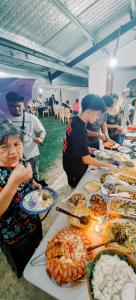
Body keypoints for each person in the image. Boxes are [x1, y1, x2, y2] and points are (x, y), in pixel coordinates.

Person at [0, 123, 42, 278]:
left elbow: (27, 182)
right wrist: (13, 182)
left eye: (17, 144)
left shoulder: (22, 161)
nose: (13, 151)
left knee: (37, 251)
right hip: (13, 238)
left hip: (33, 223)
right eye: (4, 147)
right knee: (23, 265)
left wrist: (34, 184)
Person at [63, 94, 117, 188]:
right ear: (88, 111)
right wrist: (108, 165)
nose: (98, 117)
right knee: (79, 188)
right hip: (74, 166)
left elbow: (73, 141)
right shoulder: (78, 129)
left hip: (69, 160)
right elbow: (87, 159)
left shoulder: (75, 119)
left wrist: (87, 148)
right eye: (97, 114)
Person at [6, 91, 46, 181]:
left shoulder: (31, 117)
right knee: (22, 178)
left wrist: (41, 138)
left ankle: (36, 192)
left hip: (32, 153)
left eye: (19, 106)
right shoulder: (5, 120)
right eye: (12, 106)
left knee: (35, 174)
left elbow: (42, 131)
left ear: (23, 105)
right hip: (16, 156)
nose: (16, 109)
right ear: (8, 106)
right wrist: (6, 128)